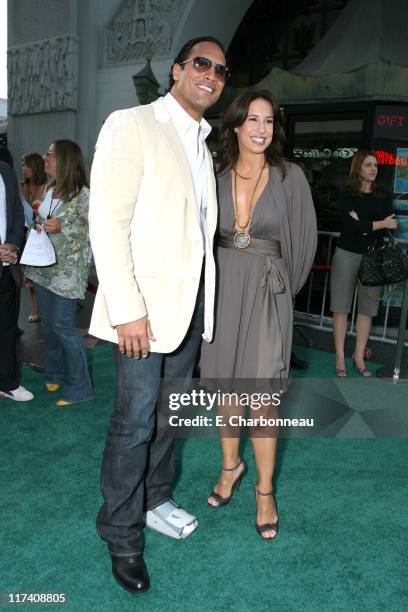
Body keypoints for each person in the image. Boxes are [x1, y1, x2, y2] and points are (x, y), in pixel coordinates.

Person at [89, 37, 227, 593]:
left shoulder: (202, 143)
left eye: (220, 70)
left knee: (169, 418)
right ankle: (120, 534)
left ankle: (156, 499)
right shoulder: (133, 123)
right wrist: (126, 310)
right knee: (134, 423)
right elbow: (107, 221)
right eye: (201, 64)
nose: (211, 75)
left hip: (189, 310)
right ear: (177, 71)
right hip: (141, 314)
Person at [200, 90, 317, 539]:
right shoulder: (215, 173)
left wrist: (282, 294)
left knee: (263, 397)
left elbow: (304, 243)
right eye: (252, 119)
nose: (261, 129)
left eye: (268, 121)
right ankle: (231, 467)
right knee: (227, 390)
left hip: (270, 292)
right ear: (234, 125)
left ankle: (264, 490)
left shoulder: (291, 176)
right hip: (224, 287)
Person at [24, 140, 93, 405]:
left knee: (63, 326)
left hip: (68, 271)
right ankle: (54, 372)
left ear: (65, 160)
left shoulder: (84, 194)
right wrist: (40, 221)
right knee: (50, 326)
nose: (45, 158)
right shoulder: (51, 188)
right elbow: (45, 221)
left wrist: (62, 226)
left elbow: (93, 232)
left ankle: (80, 389)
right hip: (44, 268)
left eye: (50, 154)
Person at [330, 150, 397, 377]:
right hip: (346, 253)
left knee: (367, 310)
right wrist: (377, 223)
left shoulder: (383, 195)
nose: (373, 169)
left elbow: (391, 224)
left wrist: (365, 223)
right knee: (340, 307)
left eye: (376, 165)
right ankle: (340, 356)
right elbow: (351, 226)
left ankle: (359, 356)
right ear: (358, 168)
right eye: (368, 165)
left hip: (374, 257)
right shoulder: (347, 194)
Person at [0, 160, 33, 401]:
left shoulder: (5, 169)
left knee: (7, 328)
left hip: (7, 266)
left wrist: (12, 244)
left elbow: (17, 210)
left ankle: (8, 383)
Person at [20, 152, 47, 322]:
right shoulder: (22, 185)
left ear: (36, 167)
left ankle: (48, 308)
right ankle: (36, 308)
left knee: (44, 274)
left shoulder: (48, 185)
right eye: (23, 165)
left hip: (44, 233)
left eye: (28, 165)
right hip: (26, 234)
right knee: (30, 275)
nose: (24, 168)